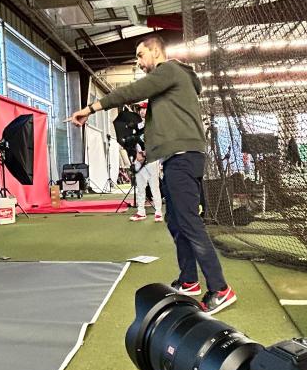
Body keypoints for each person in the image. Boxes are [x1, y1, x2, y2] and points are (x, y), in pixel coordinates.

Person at [69, 35, 237, 314]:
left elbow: (131, 92)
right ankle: (189, 281)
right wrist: (148, 151)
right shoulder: (170, 88)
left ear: (155, 53)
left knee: (189, 222)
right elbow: (163, 124)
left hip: (184, 157)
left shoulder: (168, 70)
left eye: (140, 55)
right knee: (175, 220)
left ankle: (220, 288)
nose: (138, 62)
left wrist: (90, 109)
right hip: (174, 157)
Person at [129, 101, 163, 222]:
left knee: (154, 186)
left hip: (151, 159)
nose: (142, 111)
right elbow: (133, 143)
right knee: (140, 186)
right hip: (139, 160)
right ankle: (140, 211)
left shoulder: (154, 125)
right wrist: (136, 154)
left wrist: (146, 153)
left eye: (145, 109)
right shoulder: (136, 126)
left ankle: (158, 212)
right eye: (141, 109)